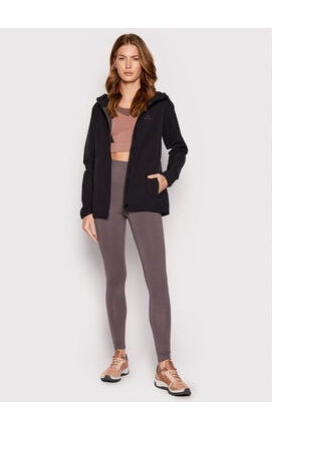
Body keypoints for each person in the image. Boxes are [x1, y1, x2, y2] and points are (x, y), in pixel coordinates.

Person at [80, 33, 191, 397]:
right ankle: (120, 356)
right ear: (114, 63)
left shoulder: (159, 104)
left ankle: (165, 365)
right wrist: (87, 209)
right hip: (105, 194)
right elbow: (90, 162)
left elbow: (178, 148)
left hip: (143, 192)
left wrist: (167, 178)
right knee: (115, 278)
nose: (128, 64)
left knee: (157, 280)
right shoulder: (101, 107)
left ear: (143, 63)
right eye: (121, 58)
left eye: (134, 58)